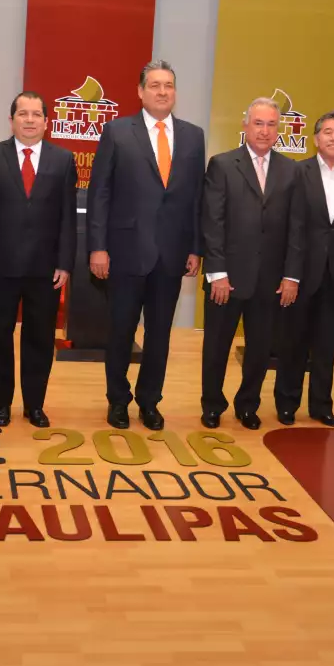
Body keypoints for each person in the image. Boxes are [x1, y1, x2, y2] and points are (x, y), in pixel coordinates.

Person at [87, 60, 205, 431]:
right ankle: (117, 400)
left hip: (171, 255)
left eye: (168, 85)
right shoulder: (117, 132)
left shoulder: (193, 136)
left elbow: (196, 198)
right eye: (154, 85)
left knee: (160, 335)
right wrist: (98, 246)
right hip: (124, 251)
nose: (162, 91)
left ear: (175, 92)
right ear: (140, 91)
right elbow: (100, 192)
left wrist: (196, 247)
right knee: (121, 330)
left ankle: (150, 401)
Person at [0, 91, 78, 429]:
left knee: (40, 338)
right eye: (22, 114)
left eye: (36, 115)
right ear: (11, 119)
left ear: (47, 122)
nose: (29, 120)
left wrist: (65, 262)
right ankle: (1, 403)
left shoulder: (63, 160)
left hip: (45, 268)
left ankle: (35, 404)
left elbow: (68, 218)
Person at [200, 97, 303, 430]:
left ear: (279, 130)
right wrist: (216, 272)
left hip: (271, 280)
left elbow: (296, 227)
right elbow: (212, 222)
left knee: (260, 349)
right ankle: (212, 405)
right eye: (258, 123)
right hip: (226, 278)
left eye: (272, 124)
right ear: (245, 126)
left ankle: (248, 405)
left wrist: (292, 276)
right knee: (217, 345)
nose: (265, 130)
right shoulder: (222, 164)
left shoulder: (292, 170)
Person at [274, 110, 334, 427]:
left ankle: (321, 406)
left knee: (327, 345)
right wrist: (289, 274)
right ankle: (287, 403)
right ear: (315, 139)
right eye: (327, 132)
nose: (333, 137)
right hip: (300, 274)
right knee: (293, 342)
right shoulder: (296, 172)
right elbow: (290, 226)